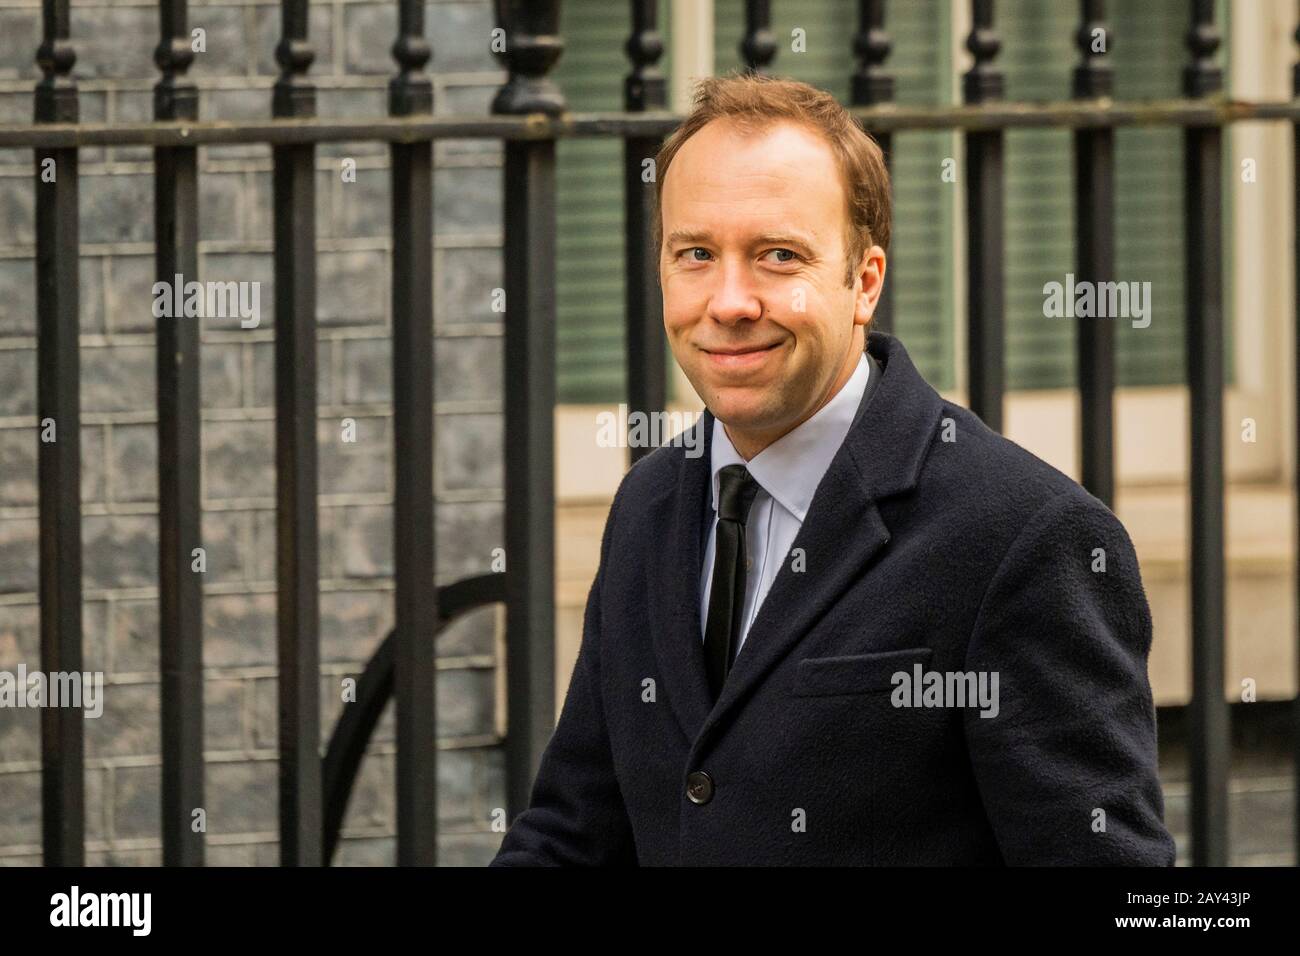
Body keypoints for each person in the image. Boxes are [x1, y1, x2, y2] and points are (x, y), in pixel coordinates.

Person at [490, 72, 1176, 866]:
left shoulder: (1026, 537)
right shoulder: (649, 502)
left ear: (865, 282)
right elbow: (576, 834)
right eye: (696, 254)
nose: (730, 300)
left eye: (778, 255)